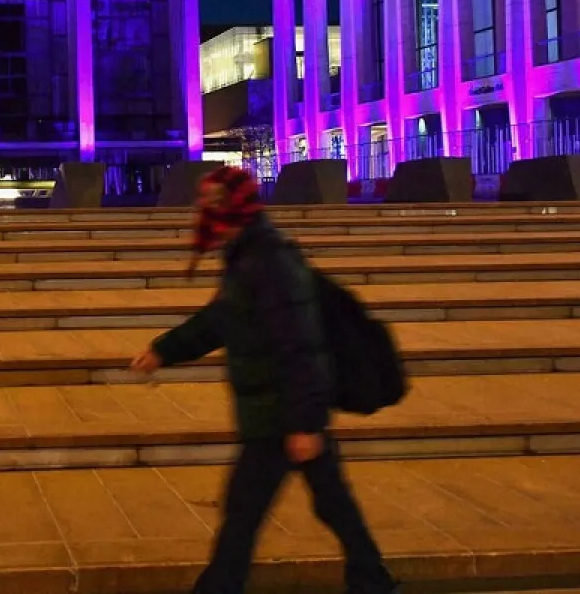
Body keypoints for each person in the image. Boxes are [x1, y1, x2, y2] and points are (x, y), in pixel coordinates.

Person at [130, 166, 397, 594]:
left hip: (280, 414)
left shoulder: (269, 263)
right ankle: (373, 580)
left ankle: (222, 587)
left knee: (246, 511)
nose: (205, 214)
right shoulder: (246, 256)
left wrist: (305, 423)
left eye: (214, 204)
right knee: (328, 503)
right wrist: (165, 350)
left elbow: (301, 345)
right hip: (277, 410)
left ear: (235, 208)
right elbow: (220, 319)